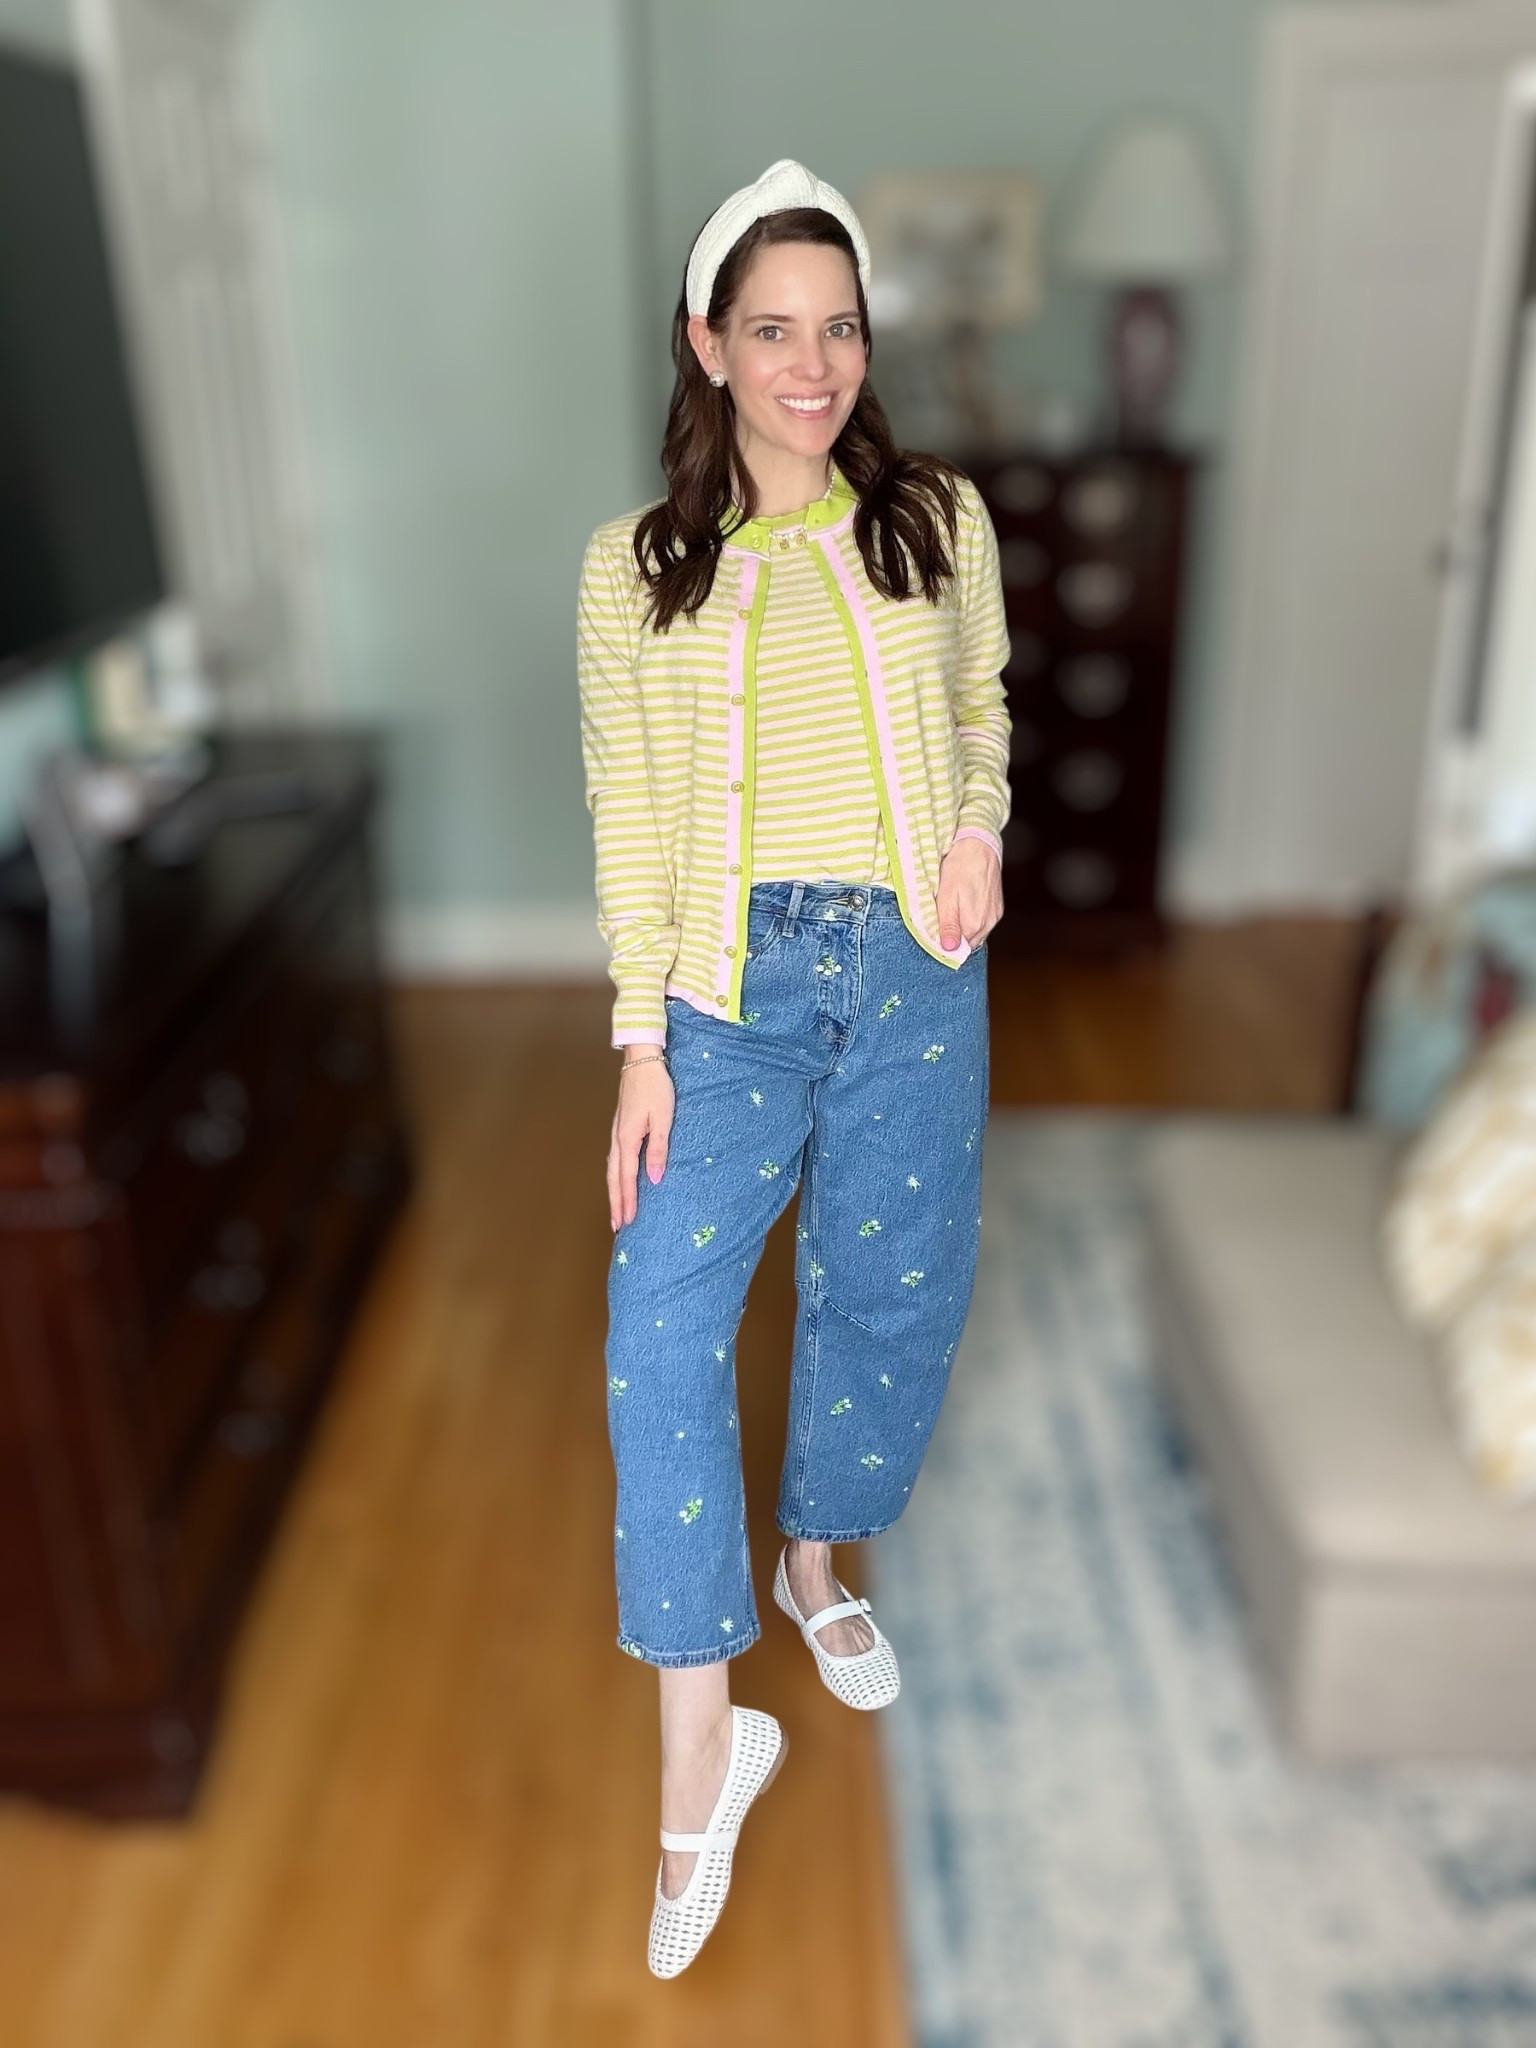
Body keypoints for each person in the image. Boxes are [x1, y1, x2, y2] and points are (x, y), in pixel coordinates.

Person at [576, 158, 1011, 1978]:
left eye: (837, 327)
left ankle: (814, 1571)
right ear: (710, 346)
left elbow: (980, 701)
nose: (813, 363)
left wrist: (977, 826)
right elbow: (633, 817)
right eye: (775, 330)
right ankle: (706, 1752)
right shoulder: (634, 570)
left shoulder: (938, 521)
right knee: (663, 1322)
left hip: (914, 962)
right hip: (726, 992)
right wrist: (638, 1042)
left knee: (886, 1289)